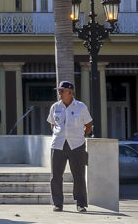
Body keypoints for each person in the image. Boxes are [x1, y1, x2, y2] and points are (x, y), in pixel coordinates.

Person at [47, 80, 92, 213]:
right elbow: (52, 124)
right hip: (58, 145)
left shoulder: (81, 107)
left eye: (62, 91)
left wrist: (79, 135)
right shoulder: (55, 107)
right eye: (59, 91)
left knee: (78, 175)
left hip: (77, 145)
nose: (59, 93)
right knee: (56, 175)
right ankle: (58, 204)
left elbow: (88, 125)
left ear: (70, 92)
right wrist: (60, 135)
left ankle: (81, 204)